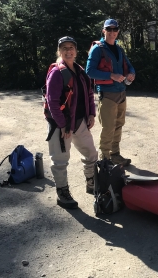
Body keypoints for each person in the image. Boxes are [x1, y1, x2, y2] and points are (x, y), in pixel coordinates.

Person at [45, 36, 98, 209]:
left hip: (80, 121)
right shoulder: (56, 73)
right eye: (64, 48)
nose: (68, 51)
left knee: (91, 153)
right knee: (60, 160)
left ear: (76, 51)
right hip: (60, 124)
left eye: (71, 48)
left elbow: (89, 94)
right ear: (59, 51)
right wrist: (62, 125)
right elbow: (52, 102)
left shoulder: (80, 70)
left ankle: (92, 184)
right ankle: (63, 193)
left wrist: (91, 114)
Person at [86, 19, 136, 166]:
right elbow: (89, 72)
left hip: (121, 93)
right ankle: (105, 158)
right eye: (109, 30)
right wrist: (111, 76)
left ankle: (115, 154)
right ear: (104, 31)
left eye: (115, 30)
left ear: (118, 32)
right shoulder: (98, 49)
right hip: (107, 95)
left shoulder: (119, 49)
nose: (112, 33)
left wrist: (132, 74)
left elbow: (130, 66)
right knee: (108, 127)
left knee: (119, 125)